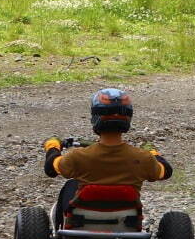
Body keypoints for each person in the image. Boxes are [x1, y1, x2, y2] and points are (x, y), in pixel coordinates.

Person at [43, 88, 172, 220]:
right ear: (128, 118)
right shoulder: (143, 158)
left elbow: (51, 168)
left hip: (82, 220)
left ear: (95, 117)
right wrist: (153, 154)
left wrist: (53, 146)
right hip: (128, 221)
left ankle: (60, 223)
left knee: (71, 184)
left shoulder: (77, 156)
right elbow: (165, 171)